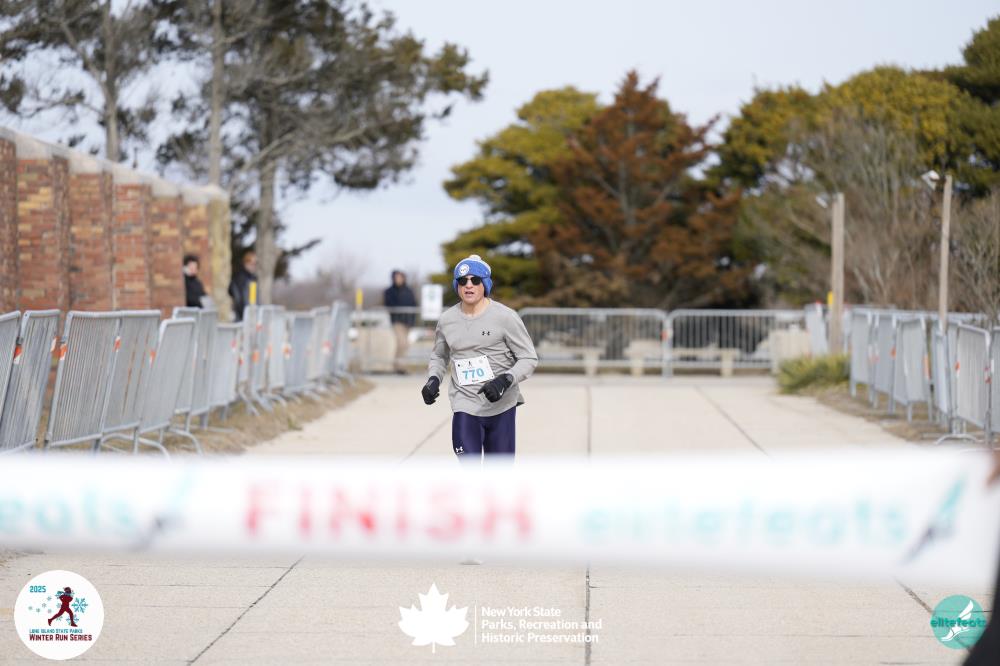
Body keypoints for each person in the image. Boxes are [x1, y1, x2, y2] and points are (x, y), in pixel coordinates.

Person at [421, 254, 538, 465]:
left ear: (485, 284)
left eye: (475, 280)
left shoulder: (505, 317)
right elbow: (439, 355)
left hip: (501, 406)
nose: (469, 285)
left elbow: (528, 357)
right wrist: (433, 379)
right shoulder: (447, 320)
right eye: (462, 281)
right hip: (464, 404)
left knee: (498, 474)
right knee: (470, 470)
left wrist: (505, 380)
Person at [384, 270, 417, 374]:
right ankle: (400, 367)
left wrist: (412, 321)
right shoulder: (389, 291)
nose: (398, 280)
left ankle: (398, 366)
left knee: (404, 345)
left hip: (407, 322)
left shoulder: (408, 291)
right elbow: (390, 305)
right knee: (402, 343)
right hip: (397, 321)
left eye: (400, 277)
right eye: (396, 278)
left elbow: (414, 305)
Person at [228, 249, 258, 322]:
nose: (254, 266)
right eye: (252, 264)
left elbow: (255, 298)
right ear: (246, 263)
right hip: (243, 316)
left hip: (252, 313)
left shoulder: (252, 278)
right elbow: (240, 299)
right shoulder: (241, 279)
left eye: (255, 264)